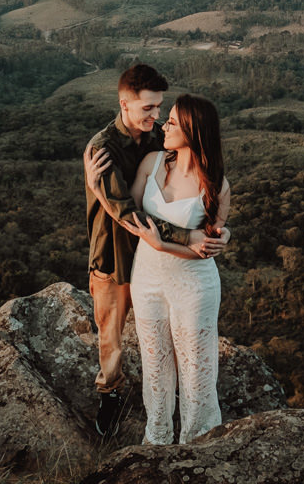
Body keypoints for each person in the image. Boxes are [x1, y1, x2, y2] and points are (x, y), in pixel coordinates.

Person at [84, 65, 227, 437]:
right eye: (149, 109)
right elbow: (125, 210)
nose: (158, 118)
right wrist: (184, 237)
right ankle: (111, 394)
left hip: (167, 265)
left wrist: (215, 236)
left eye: (161, 109)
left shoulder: (155, 141)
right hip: (117, 254)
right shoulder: (104, 148)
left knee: (183, 354)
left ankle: (193, 430)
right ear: (125, 105)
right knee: (114, 335)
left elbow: (205, 216)